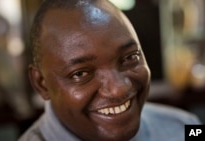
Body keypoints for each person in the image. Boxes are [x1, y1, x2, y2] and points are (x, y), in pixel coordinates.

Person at [19, 0, 201, 141]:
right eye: (80, 73)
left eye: (130, 58)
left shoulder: (185, 127)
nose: (118, 89)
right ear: (41, 84)